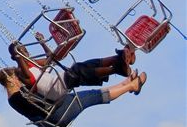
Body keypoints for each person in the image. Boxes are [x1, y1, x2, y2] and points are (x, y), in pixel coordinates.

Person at [0, 66, 147, 127]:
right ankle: (131, 86)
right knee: (93, 96)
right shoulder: (18, 96)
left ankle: (125, 83)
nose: (20, 79)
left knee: (91, 94)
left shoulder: (14, 97)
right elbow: (40, 106)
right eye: (18, 77)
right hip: (56, 116)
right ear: (12, 79)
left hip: (55, 112)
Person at [9, 38, 138, 102]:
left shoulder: (32, 63)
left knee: (83, 66)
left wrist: (42, 43)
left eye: (25, 50)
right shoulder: (20, 72)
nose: (26, 52)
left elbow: (51, 59)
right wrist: (18, 57)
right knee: (77, 70)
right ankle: (117, 68)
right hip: (54, 90)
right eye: (22, 52)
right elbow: (27, 75)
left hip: (58, 81)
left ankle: (118, 58)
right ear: (16, 57)